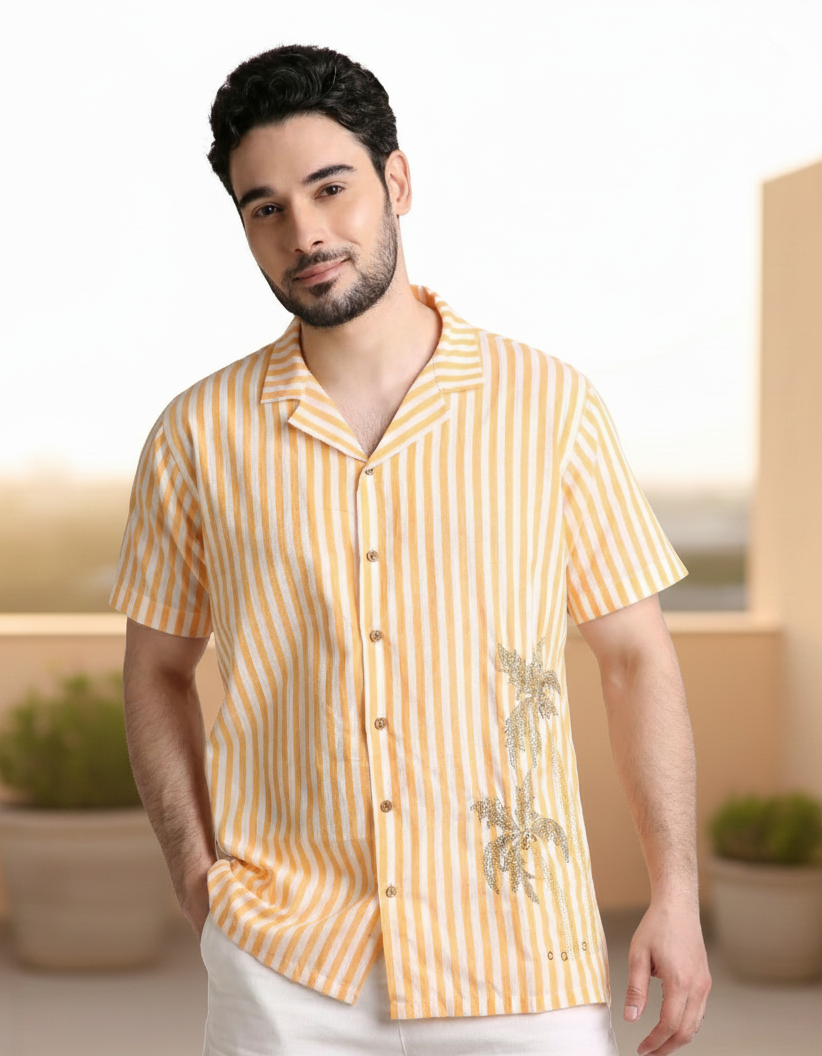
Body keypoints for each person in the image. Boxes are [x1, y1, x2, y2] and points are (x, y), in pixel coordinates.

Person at [111, 44, 711, 1056]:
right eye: (266, 208)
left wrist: (675, 893)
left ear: (395, 181)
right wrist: (197, 880)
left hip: (522, 962)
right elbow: (156, 670)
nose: (305, 232)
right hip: (285, 968)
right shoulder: (196, 435)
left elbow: (635, 659)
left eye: (330, 188)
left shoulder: (549, 407)